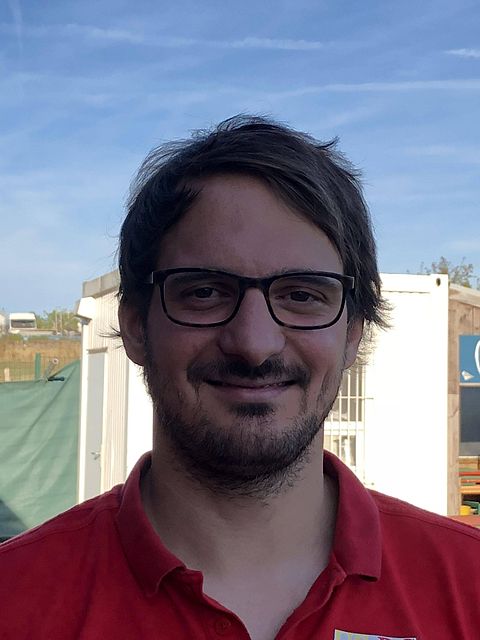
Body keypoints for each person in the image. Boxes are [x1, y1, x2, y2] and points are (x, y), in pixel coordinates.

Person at [0, 116, 479, 640]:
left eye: (302, 295)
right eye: (205, 292)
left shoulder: (468, 584)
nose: (254, 343)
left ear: (352, 334)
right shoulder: (14, 599)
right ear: (135, 325)